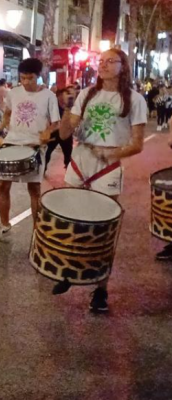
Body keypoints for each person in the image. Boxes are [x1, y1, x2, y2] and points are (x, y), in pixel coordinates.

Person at [59, 49, 147, 311]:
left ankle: (100, 290)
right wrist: (66, 107)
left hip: (106, 167)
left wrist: (111, 152)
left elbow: (137, 144)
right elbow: (65, 133)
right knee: (71, 221)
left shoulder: (134, 100)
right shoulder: (87, 94)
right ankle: (68, 270)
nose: (104, 65)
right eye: (101, 61)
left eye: (111, 61)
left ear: (123, 66)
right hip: (79, 162)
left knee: (103, 229)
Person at [0, 58, 60, 242]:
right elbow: (9, 111)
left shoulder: (48, 96)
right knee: (3, 185)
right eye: (23, 78)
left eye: (30, 78)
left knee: (34, 189)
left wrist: (47, 132)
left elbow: (56, 123)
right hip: (12, 141)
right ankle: (4, 226)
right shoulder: (13, 93)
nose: (26, 82)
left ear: (39, 76)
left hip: (34, 145)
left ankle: (37, 231)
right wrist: (2, 126)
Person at [45, 86, 75, 172]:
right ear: (60, 95)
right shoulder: (53, 105)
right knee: (47, 153)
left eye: (71, 94)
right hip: (53, 133)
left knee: (68, 155)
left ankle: (68, 171)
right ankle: (42, 170)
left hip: (66, 135)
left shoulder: (72, 107)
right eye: (67, 93)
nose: (69, 96)